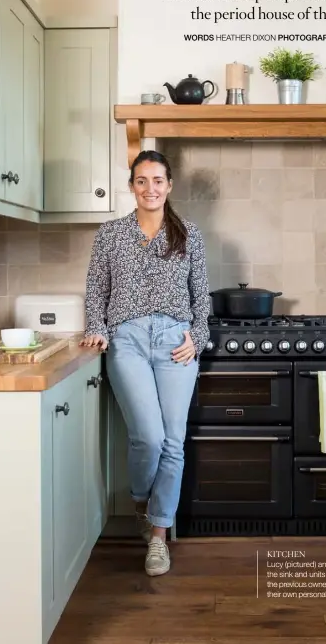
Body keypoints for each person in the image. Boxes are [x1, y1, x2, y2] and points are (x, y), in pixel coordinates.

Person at [79, 149, 210, 577]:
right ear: (132, 187)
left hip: (176, 343)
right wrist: (97, 327)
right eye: (141, 181)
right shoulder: (111, 233)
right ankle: (141, 500)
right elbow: (96, 290)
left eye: (157, 180)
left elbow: (201, 296)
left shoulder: (188, 233)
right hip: (128, 341)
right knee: (148, 439)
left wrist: (199, 337)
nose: (150, 188)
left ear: (169, 186)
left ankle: (158, 537)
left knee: (174, 442)